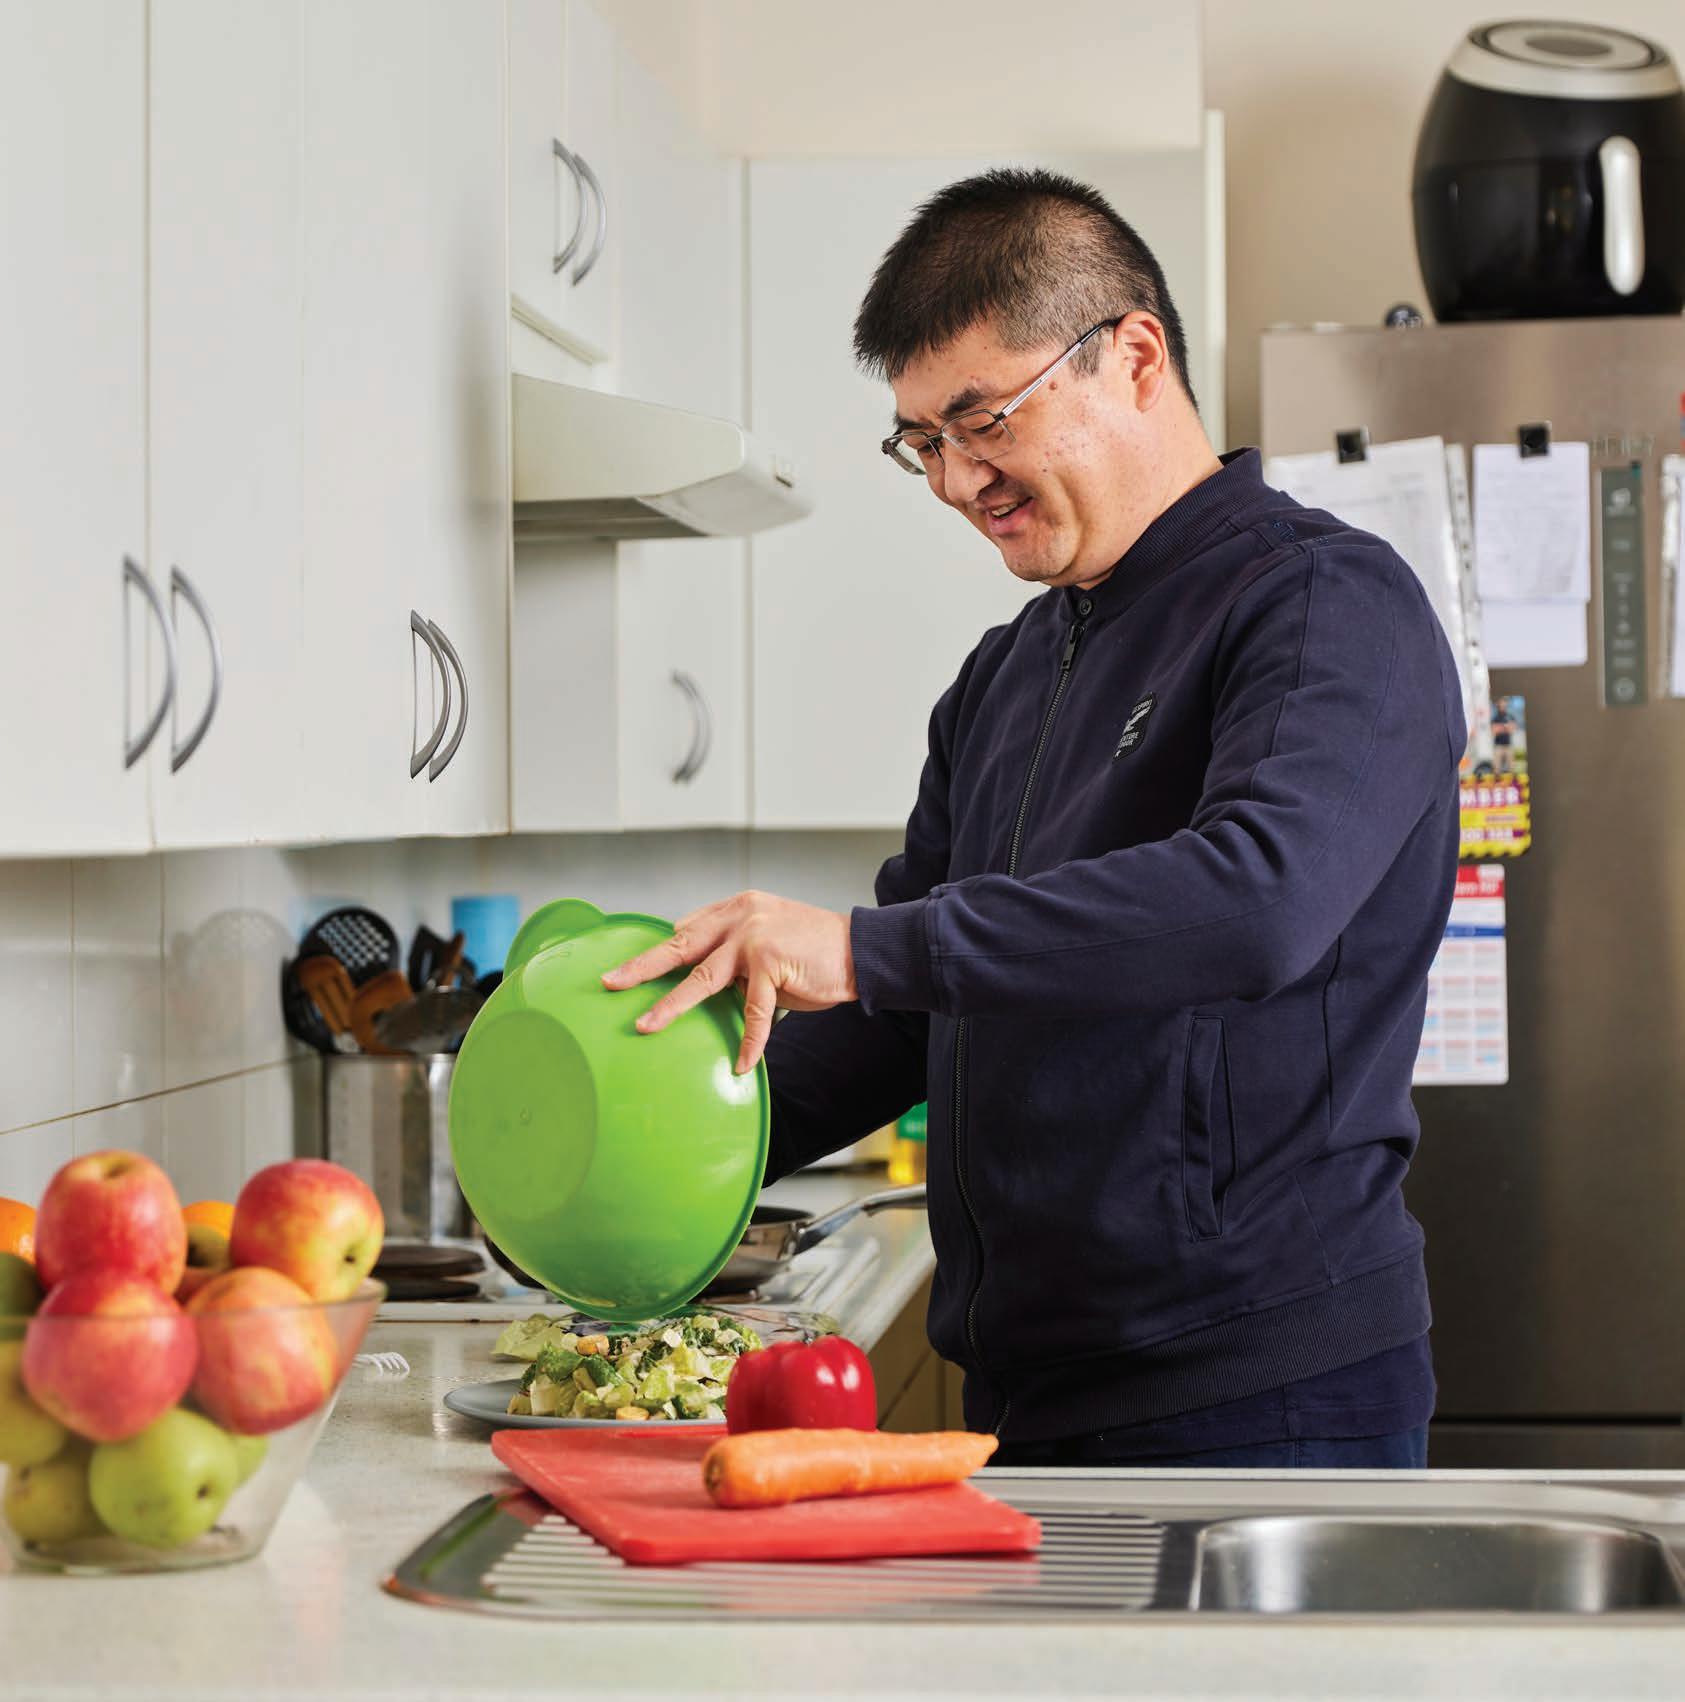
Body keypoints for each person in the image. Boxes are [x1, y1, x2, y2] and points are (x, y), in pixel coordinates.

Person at [603, 168, 1466, 1468]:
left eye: (982, 420)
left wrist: (862, 946)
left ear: (1134, 357)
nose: (957, 480)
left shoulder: (1325, 603)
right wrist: (649, 1153)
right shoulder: (1002, 677)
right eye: (922, 443)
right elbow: (905, 1018)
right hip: (1028, 1391)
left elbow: (1259, 898)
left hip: (1262, 1393)